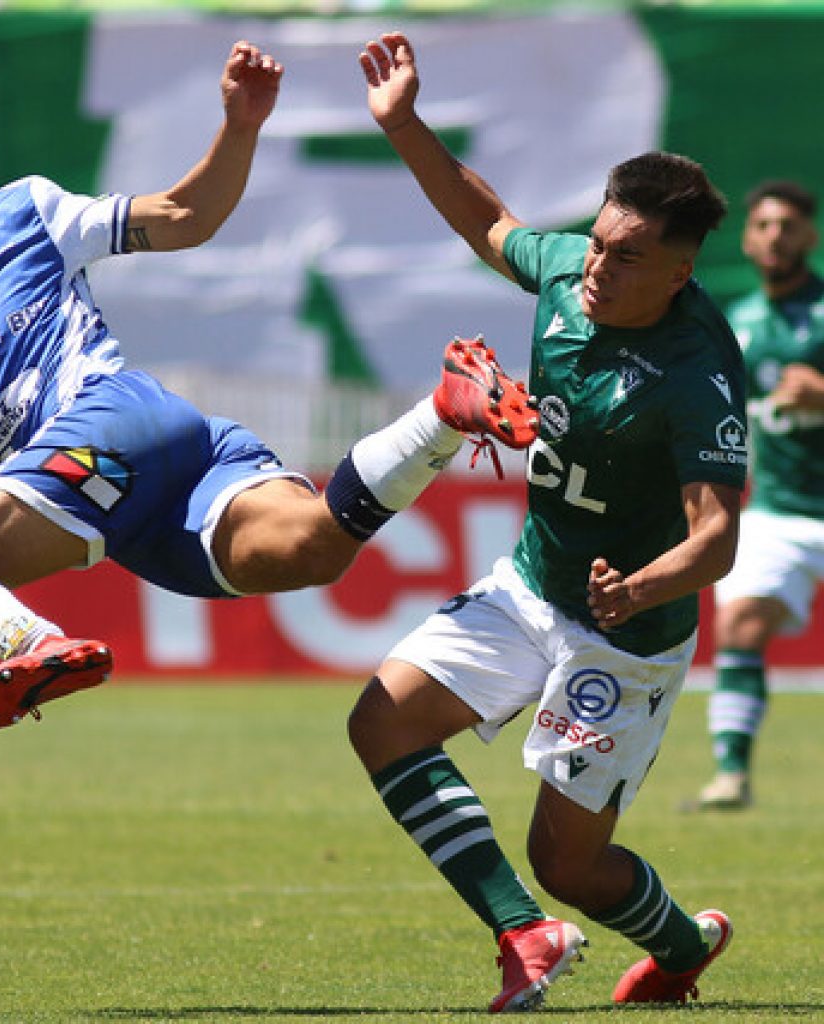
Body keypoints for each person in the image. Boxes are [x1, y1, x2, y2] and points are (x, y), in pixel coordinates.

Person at [0, 40, 524, 730]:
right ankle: (445, 410)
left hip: (113, 419)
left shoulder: (18, 216)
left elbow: (185, 215)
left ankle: (33, 644)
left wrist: (240, 127)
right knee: (315, 548)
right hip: (137, 513)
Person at [349, 32, 746, 1012]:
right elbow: (488, 221)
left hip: (627, 633)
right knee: (382, 720)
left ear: (682, 271)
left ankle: (680, 942)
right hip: (532, 579)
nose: (596, 269)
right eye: (598, 242)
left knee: (568, 861)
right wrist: (404, 126)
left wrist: (640, 587)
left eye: (628, 258)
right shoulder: (573, 270)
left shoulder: (695, 376)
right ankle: (523, 932)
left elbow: (718, 539)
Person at [691, 180, 824, 811]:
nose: (776, 236)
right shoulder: (733, 321)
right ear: (747, 239)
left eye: (789, 226)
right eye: (765, 226)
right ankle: (730, 774)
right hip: (776, 510)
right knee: (739, 623)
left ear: (811, 237)